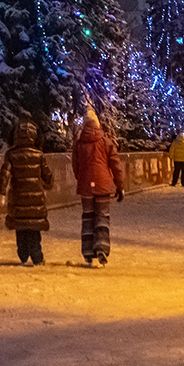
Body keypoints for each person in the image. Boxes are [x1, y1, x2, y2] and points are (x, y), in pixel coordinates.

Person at [72, 105, 124, 266]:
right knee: (102, 217)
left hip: (86, 186)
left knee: (87, 217)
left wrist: (82, 179)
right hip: (102, 185)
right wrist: (119, 185)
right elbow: (115, 164)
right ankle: (101, 247)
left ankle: (87, 251)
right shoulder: (106, 141)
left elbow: (76, 165)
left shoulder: (79, 143)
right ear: (97, 124)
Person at [0, 118, 54, 265]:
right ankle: (37, 257)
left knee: (21, 228)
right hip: (36, 201)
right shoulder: (39, 155)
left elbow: (5, 174)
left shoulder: (11, 154)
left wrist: (1, 192)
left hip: (18, 200)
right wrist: (48, 183)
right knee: (34, 230)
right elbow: (47, 176)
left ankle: (22, 254)